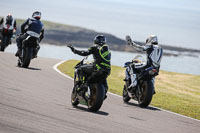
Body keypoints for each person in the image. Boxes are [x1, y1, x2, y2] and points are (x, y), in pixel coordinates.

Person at [68, 35, 111, 99]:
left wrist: (74, 50)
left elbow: (84, 53)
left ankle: (82, 85)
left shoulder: (95, 47)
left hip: (96, 68)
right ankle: (103, 93)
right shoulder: (107, 50)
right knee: (103, 79)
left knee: (80, 68)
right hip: (107, 70)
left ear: (95, 41)